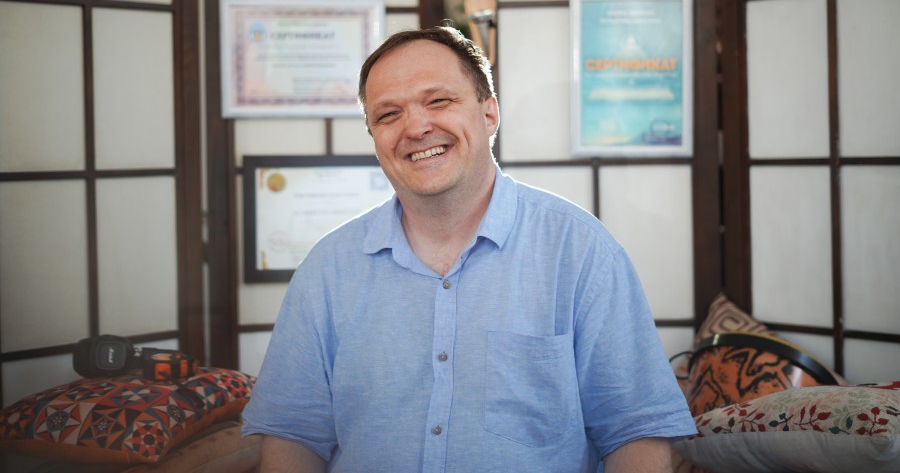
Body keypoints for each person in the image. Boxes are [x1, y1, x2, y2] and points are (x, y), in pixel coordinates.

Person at [241, 25, 696, 472]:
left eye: (438, 101)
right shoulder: (328, 269)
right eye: (388, 114)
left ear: (489, 113)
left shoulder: (580, 252)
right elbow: (293, 435)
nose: (416, 127)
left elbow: (636, 431)